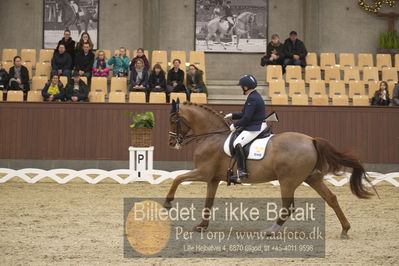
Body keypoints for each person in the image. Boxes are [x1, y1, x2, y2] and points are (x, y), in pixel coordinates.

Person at [223, 75, 266, 182]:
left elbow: (247, 117)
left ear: (246, 87)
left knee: (237, 143)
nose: (241, 88)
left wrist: (235, 125)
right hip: (255, 124)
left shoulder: (252, 98)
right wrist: (232, 115)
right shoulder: (254, 96)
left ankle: (242, 171)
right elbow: (244, 113)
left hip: (255, 126)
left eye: (242, 86)